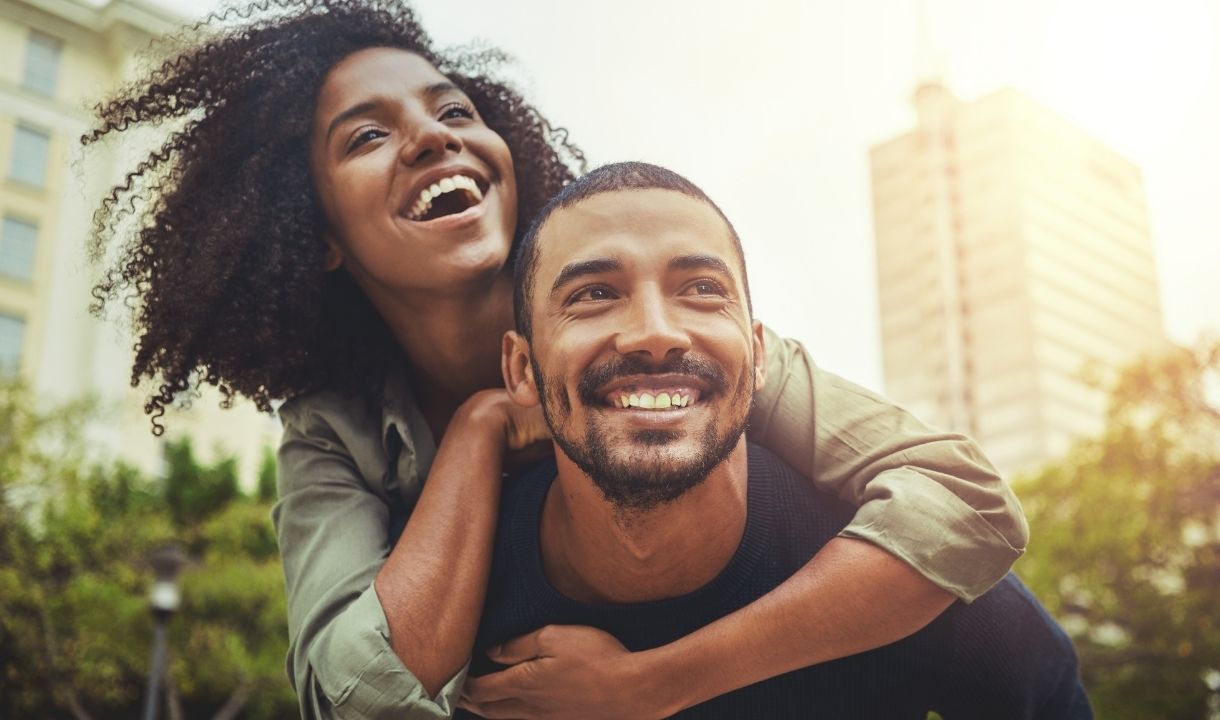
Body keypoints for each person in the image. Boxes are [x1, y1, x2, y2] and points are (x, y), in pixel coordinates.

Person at [82, 1, 1028, 717]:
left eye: (453, 110)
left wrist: (653, 685)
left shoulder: (663, 333)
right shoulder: (332, 433)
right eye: (368, 135)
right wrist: (481, 427)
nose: (432, 136)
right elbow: (356, 691)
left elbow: (964, 506)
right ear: (314, 233)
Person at [461, 161, 1091, 719]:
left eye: (702, 289)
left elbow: (1048, 693)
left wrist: (652, 685)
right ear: (521, 369)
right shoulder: (470, 593)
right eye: (595, 294)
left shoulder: (900, 569)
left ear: (760, 355)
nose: (654, 333)